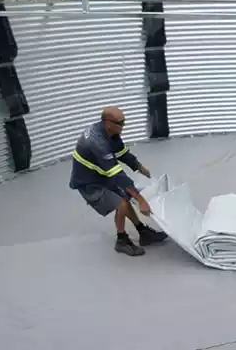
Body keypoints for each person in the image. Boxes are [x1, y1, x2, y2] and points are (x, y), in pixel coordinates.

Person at [69, 106, 167, 256]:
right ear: (108, 123)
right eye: (121, 123)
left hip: (100, 173)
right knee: (121, 202)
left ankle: (143, 232)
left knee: (126, 197)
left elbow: (122, 153)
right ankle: (121, 240)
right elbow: (118, 176)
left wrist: (139, 167)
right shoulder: (97, 143)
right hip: (89, 183)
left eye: (124, 122)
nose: (124, 126)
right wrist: (141, 200)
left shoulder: (111, 132)